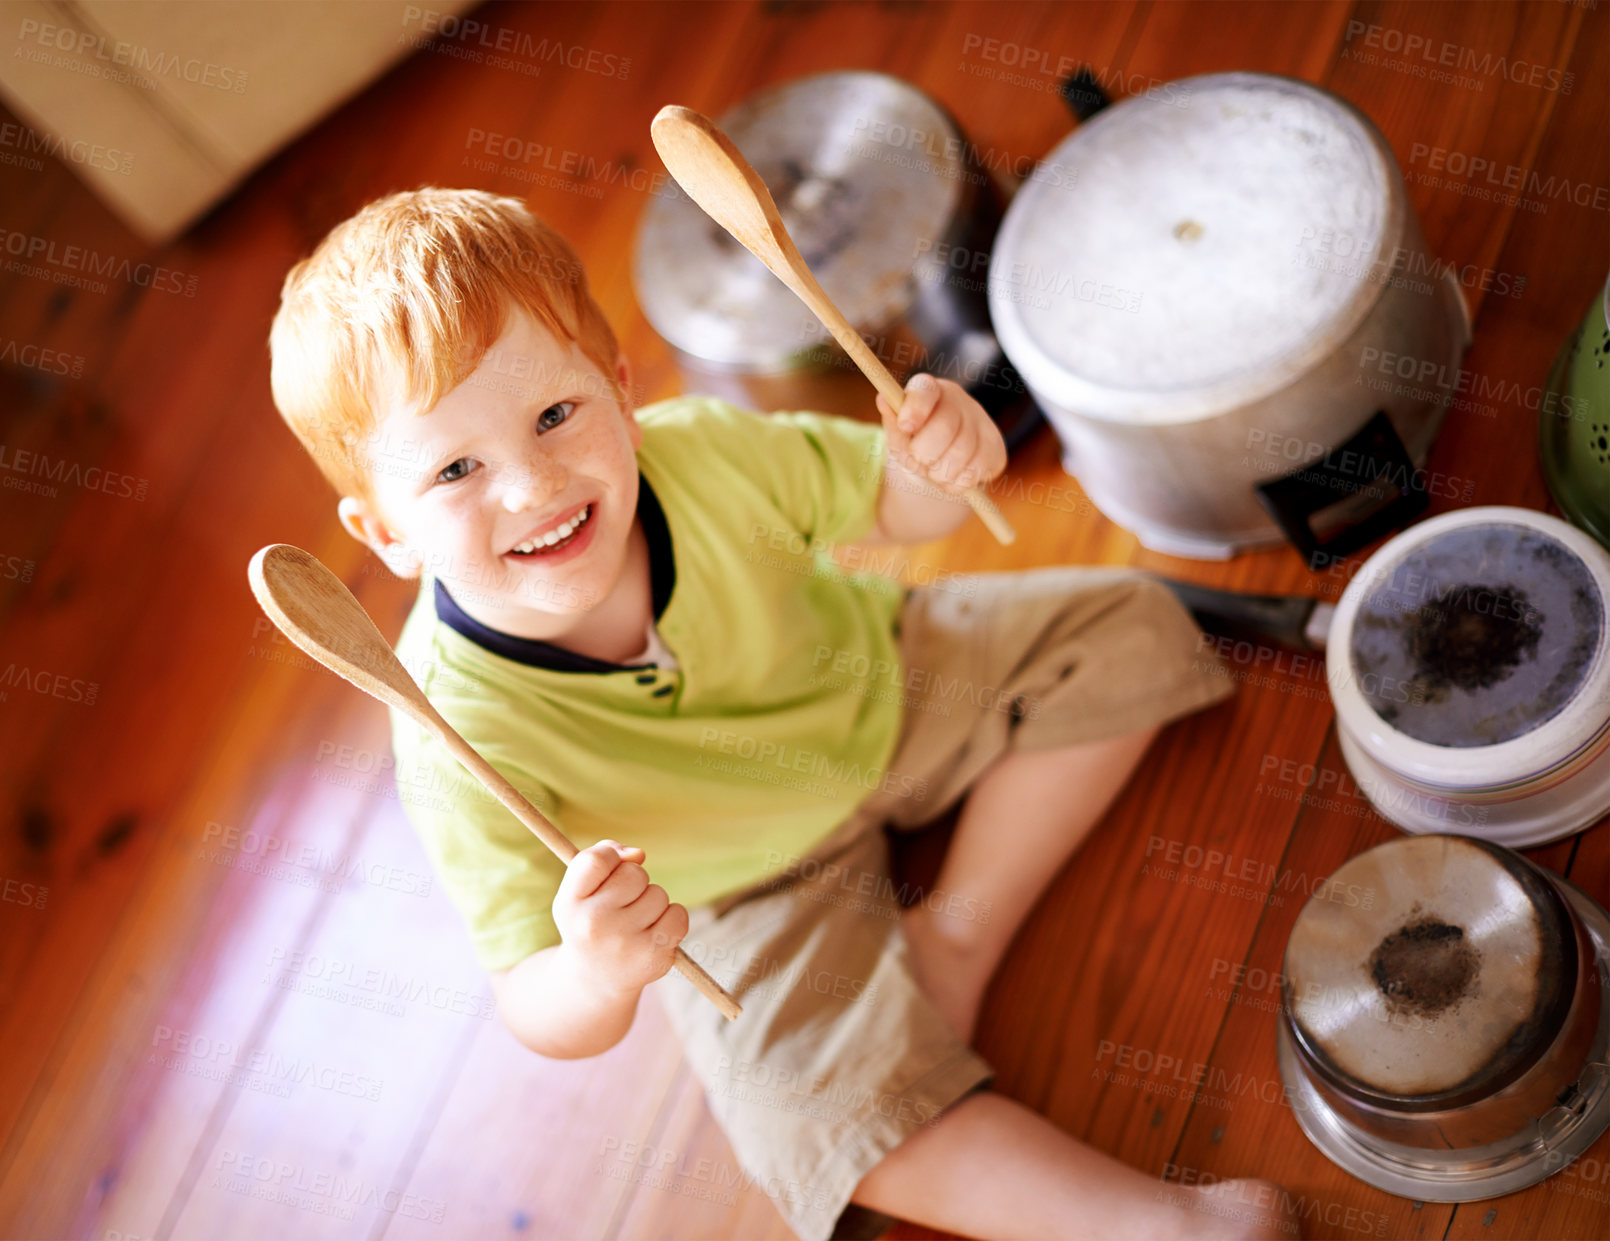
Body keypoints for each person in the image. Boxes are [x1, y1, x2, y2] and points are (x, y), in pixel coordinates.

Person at [267, 186, 1296, 1241]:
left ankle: (953, 940)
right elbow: (529, 993)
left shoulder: (705, 452)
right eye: (453, 469)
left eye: (553, 415)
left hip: (886, 682)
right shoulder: (443, 728)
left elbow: (899, 507)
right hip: (732, 891)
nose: (530, 486)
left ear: (620, 393)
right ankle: (1158, 1226)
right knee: (811, 1125)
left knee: (1128, 620)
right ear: (383, 531)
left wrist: (937, 460)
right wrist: (592, 970)